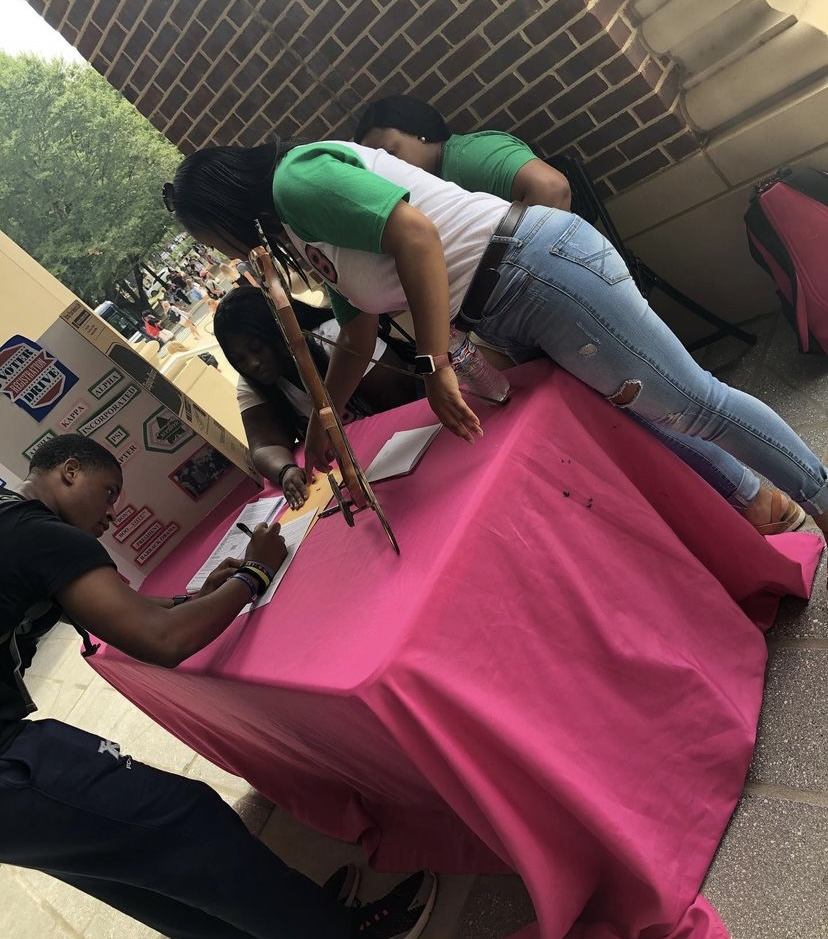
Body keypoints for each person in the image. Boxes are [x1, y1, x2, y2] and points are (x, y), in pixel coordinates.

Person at [163, 142, 828, 545]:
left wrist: (431, 364)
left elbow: (416, 235)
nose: (221, 252)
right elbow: (358, 327)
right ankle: (762, 505)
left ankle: (819, 497)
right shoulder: (298, 228)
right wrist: (322, 424)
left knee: (695, 403)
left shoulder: (296, 180)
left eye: (208, 237)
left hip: (536, 269)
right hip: (502, 303)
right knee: (635, 409)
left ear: (219, 210)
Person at [0, 433, 437, 939]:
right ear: (70, 470)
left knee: (124, 869)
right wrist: (254, 573)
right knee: (187, 823)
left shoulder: (14, 521)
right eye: (109, 492)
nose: (111, 515)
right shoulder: (40, 533)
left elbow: (130, 614)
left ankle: (282, 924)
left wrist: (194, 599)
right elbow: (160, 641)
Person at [214, 286, 419, 509]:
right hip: (361, 467)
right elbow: (264, 444)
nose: (252, 364)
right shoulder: (253, 384)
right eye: (240, 359)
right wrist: (286, 470)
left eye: (257, 348)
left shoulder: (332, 338)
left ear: (277, 329)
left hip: (404, 444)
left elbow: (403, 396)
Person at [354, 94, 572, 211]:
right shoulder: (432, 185)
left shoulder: (466, 156)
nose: (387, 168)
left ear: (419, 132)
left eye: (391, 153)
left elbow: (552, 188)